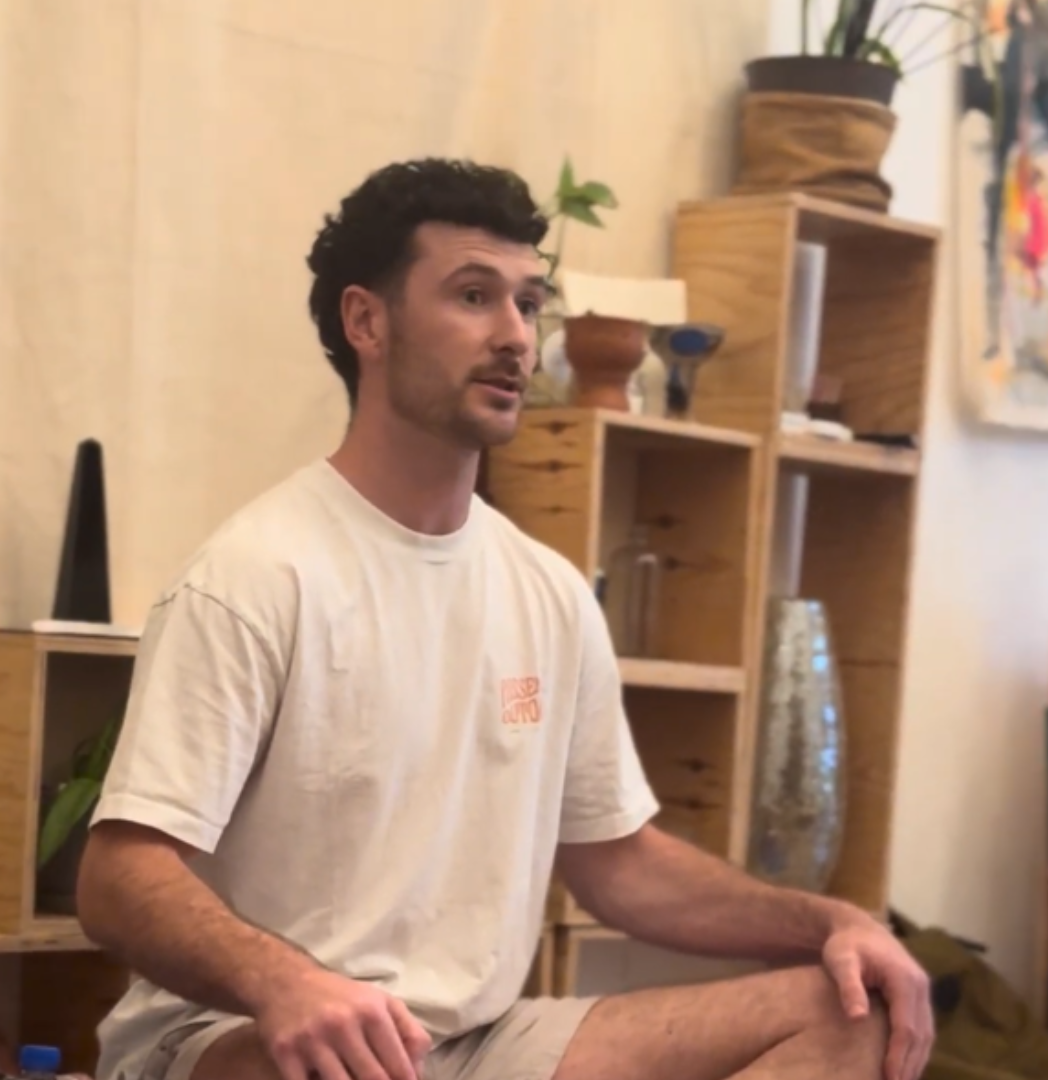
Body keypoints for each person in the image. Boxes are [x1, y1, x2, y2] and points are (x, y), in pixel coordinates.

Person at [77, 157, 934, 1080]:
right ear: (366, 322)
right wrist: (285, 984)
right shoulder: (255, 577)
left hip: (474, 1047)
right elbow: (118, 878)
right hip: (248, 1039)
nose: (516, 336)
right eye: (474, 296)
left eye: (529, 303)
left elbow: (621, 863)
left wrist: (831, 922)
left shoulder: (549, 594)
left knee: (856, 1010)